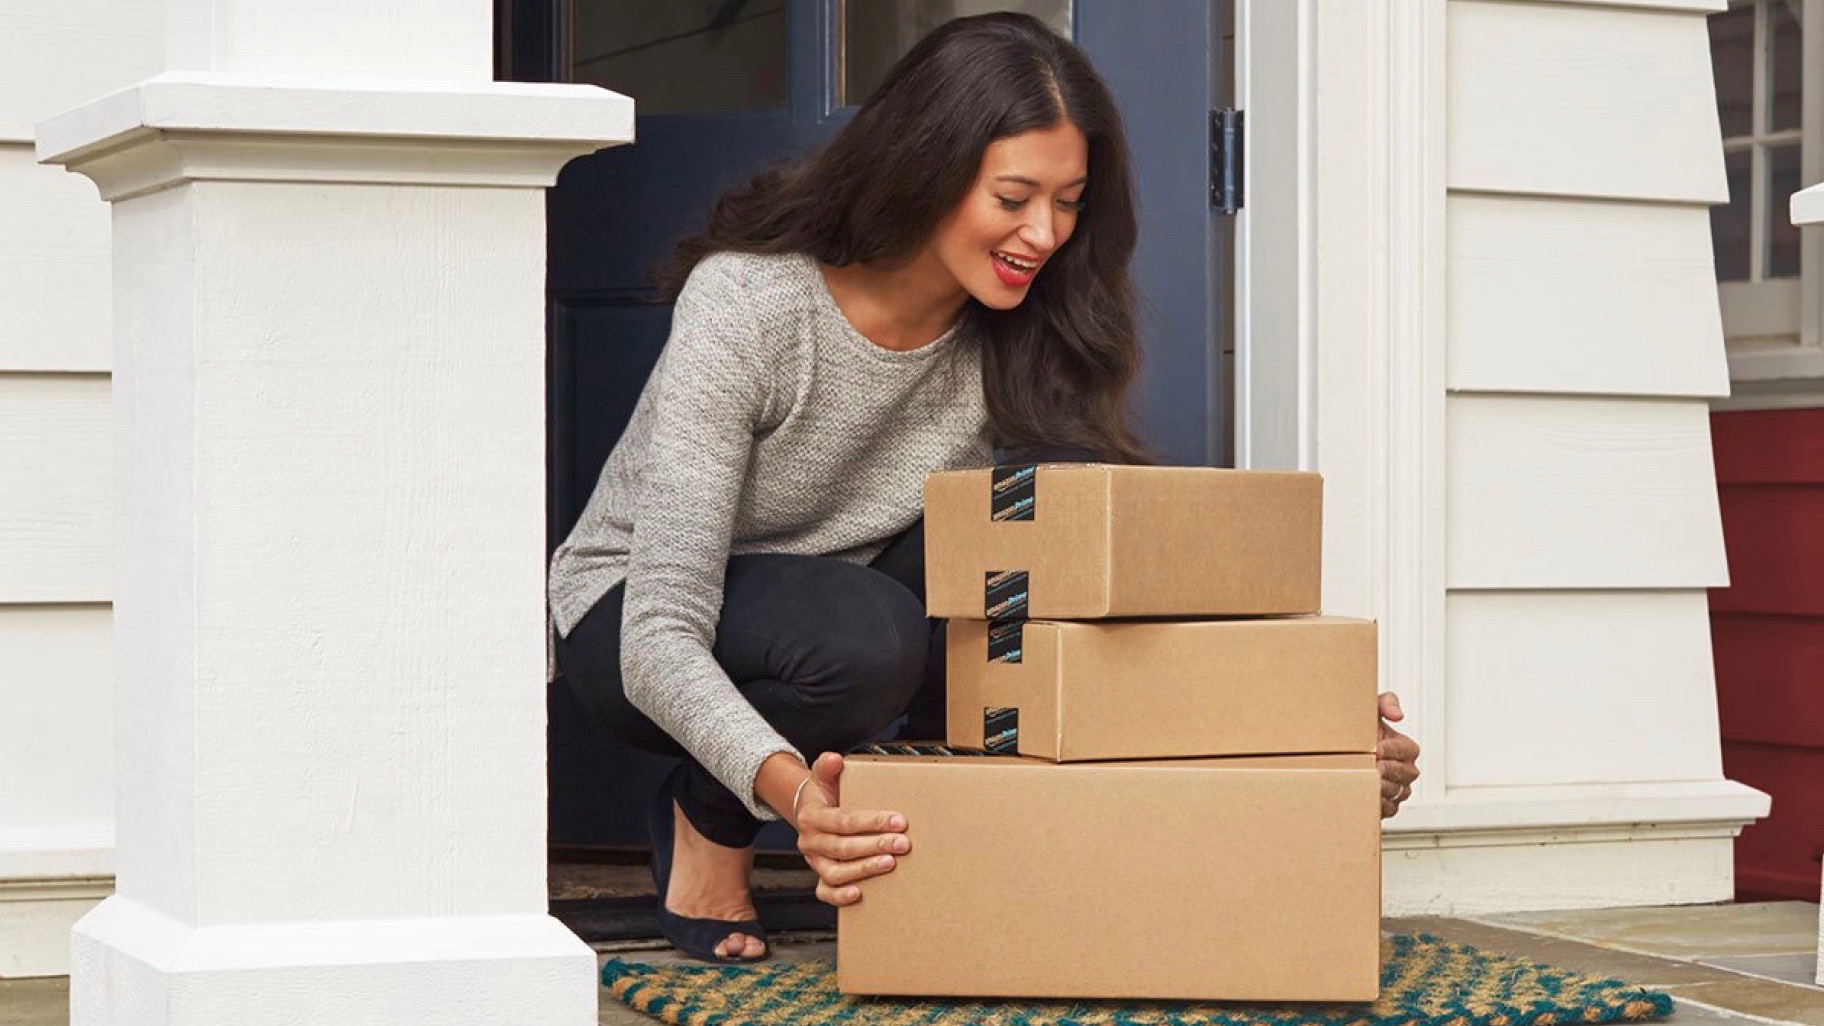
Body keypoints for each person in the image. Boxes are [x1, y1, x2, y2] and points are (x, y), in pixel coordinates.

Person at [548, 12, 1422, 965]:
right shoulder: (752, 304)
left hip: (860, 599)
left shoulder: (1026, 333)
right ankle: (709, 825)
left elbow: (1121, 576)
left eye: (1070, 201)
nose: (1044, 234)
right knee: (866, 635)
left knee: (1056, 516)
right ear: (926, 167)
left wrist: (1312, 725)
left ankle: (958, 850)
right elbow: (659, 632)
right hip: (635, 617)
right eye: (1014, 197)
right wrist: (798, 799)